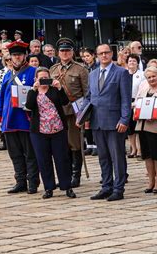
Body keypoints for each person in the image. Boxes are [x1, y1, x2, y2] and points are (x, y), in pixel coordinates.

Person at [84, 44, 132, 202]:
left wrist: (124, 119)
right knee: (103, 156)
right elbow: (89, 97)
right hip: (97, 121)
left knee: (117, 156)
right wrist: (82, 116)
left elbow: (126, 99)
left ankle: (118, 188)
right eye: (100, 53)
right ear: (96, 55)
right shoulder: (92, 74)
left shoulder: (121, 73)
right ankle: (106, 186)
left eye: (106, 53)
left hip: (114, 122)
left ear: (111, 54)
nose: (104, 55)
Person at [26, 67, 76, 199]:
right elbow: (29, 106)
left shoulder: (54, 90)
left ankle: (67, 186)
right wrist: (33, 89)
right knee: (43, 160)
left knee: (62, 159)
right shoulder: (33, 92)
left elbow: (65, 102)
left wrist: (60, 88)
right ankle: (48, 188)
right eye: (41, 78)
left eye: (46, 78)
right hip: (39, 130)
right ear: (36, 79)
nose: (43, 81)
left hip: (57, 128)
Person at [0, 41, 39, 194]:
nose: (17, 58)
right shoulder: (8, 75)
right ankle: (20, 181)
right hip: (9, 120)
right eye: (14, 55)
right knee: (15, 154)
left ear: (25, 55)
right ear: (10, 58)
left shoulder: (33, 72)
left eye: (19, 55)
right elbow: (1, 98)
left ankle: (33, 182)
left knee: (30, 154)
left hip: (26, 120)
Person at [49, 38, 89, 189]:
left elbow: (87, 94)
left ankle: (75, 176)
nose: (65, 53)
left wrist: (85, 116)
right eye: (62, 51)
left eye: (68, 50)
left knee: (75, 144)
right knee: (61, 146)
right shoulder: (53, 69)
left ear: (72, 52)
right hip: (56, 113)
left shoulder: (81, 69)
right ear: (58, 53)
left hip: (74, 112)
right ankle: (65, 176)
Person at [135, 66, 157, 194]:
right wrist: (136, 111)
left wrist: (156, 114)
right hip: (142, 126)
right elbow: (137, 104)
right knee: (147, 155)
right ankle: (151, 181)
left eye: (154, 76)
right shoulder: (144, 89)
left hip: (156, 127)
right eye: (149, 77)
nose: (151, 79)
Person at [127, 53, 145, 159]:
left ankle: (139, 149)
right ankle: (133, 148)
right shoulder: (124, 74)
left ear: (137, 63)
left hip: (138, 101)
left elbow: (143, 89)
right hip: (126, 102)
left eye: (134, 61)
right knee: (129, 128)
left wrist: (136, 103)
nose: (132, 63)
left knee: (137, 127)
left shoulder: (141, 75)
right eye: (130, 61)